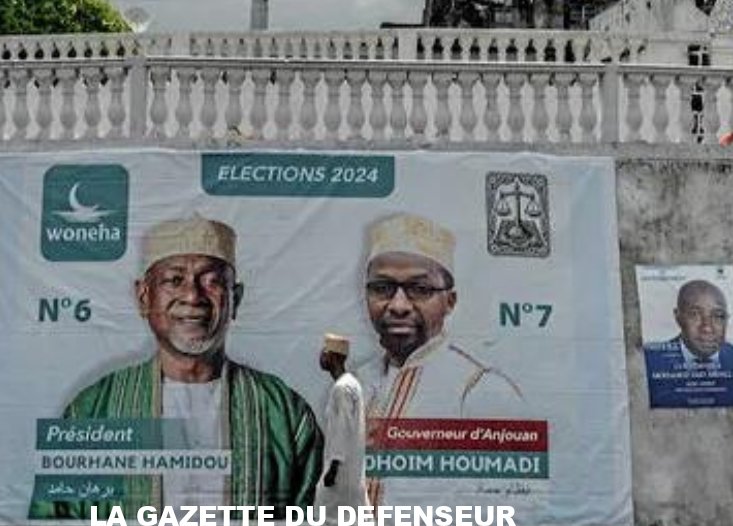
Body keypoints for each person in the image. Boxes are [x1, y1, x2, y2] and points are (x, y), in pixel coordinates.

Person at [30, 214, 323, 519]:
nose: (193, 296)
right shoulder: (91, 412)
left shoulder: (284, 413)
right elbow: (55, 516)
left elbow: (320, 512)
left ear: (235, 298)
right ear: (144, 297)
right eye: (174, 280)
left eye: (212, 281)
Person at [354, 213, 523, 505]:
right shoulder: (358, 382)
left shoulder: (479, 388)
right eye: (382, 288)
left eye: (420, 290)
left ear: (450, 301)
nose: (398, 306)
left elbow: (518, 503)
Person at [642, 279, 733, 407]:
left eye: (718, 316)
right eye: (695, 314)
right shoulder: (648, 362)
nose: (707, 328)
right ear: (678, 317)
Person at [315, 333, 369, 523]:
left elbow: (342, 428)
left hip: (341, 473)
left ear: (334, 357)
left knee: (326, 517)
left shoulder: (343, 388)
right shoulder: (349, 384)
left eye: (325, 352)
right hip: (348, 470)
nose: (321, 356)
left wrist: (334, 467)